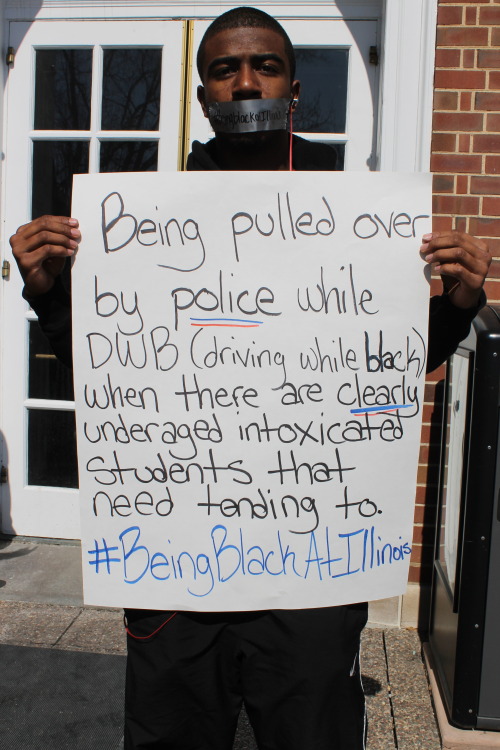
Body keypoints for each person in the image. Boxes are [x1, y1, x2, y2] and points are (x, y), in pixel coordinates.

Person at [10, 8, 491, 750]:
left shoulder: (355, 218)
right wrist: (50, 294)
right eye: (224, 70)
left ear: (294, 89)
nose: (244, 83)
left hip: (310, 574)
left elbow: (383, 369)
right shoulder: (138, 223)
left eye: (263, 66)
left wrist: (458, 305)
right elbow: (109, 379)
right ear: (202, 95)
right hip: (176, 569)